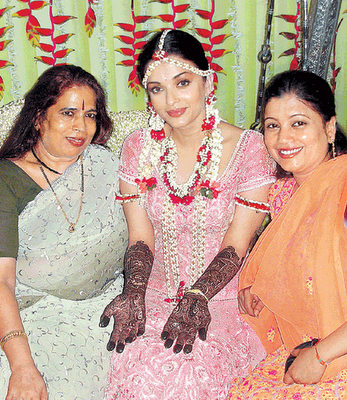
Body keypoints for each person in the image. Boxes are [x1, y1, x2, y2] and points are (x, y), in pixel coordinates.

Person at [99, 29, 276, 399]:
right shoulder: (137, 148)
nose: (171, 100)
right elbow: (141, 238)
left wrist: (197, 297)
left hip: (222, 298)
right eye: (157, 88)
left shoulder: (250, 149)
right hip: (153, 293)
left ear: (207, 84)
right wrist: (133, 293)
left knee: (192, 375)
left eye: (182, 82)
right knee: (139, 371)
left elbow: (237, 243)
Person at [0, 65, 128, 400]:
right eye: (68, 112)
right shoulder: (3, 182)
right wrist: (23, 367)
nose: (81, 127)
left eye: (91, 115)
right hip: (30, 316)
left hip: (105, 313)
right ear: (39, 118)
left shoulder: (104, 166)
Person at [228, 70, 347, 399]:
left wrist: (321, 355)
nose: (283, 139)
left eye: (298, 123)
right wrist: (261, 284)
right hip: (303, 348)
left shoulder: (343, 187)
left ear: (329, 127)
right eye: (272, 126)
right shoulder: (282, 194)